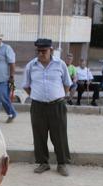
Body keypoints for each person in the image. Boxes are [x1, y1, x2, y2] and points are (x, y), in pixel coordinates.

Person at [22, 38, 72, 177]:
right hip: (38, 106)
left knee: (59, 135)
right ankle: (43, 163)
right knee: (39, 135)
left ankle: (62, 163)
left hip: (57, 105)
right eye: (38, 51)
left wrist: (59, 95)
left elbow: (67, 83)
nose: (41, 54)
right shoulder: (31, 66)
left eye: (44, 51)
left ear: (51, 50)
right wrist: (37, 96)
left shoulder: (60, 64)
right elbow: (26, 85)